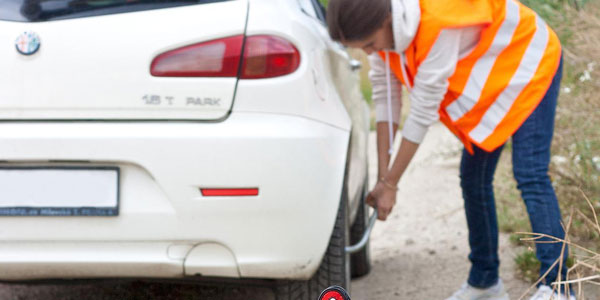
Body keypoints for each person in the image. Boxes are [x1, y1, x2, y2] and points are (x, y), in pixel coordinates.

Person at [326, 0, 573, 299]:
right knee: (473, 181)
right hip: (492, 81)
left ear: (386, 20)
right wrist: (383, 178)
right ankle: (485, 283)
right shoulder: (383, 37)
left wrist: (392, 183)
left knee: (530, 174)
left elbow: (421, 112)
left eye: (369, 44)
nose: (368, 53)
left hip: (530, 63)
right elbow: (385, 99)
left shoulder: (438, 22)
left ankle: (557, 287)